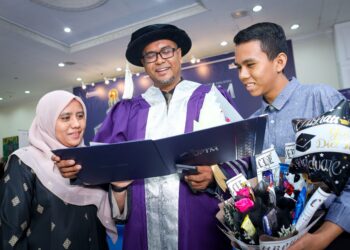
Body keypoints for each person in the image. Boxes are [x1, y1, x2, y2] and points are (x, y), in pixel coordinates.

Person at [55, 24, 249, 250]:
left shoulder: (213, 99)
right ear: (144, 63)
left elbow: (244, 154)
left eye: (166, 51)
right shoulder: (127, 112)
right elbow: (103, 163)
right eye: (150, 55)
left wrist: (214, 175)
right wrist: (76, 166)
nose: (159, 60)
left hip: (200, 227)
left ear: (178, 53)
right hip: (143, 230)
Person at [233, 22, 349, 249]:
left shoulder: (320, 98)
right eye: (238, 67)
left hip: (332, 235)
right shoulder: (252, 124)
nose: (242, 75)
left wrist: (323, 237)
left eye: (250, 65)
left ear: (279, 62)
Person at [0, 90, 117, 249]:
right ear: (47, 120)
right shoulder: (24, 162)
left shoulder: (90, 159)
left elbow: (115, 214)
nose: (76, 124)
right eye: (65, 118)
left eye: (80, 116)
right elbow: (11, 233)